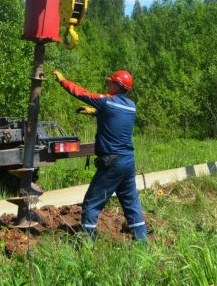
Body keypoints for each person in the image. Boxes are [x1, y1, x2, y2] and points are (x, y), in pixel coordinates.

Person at [52, 68, 148, 242]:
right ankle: (142, 241)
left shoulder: (107, 102)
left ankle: (87, 242)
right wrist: (95, 112)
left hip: (112, 162)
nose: (108, 84)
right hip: (128, 162)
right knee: (131, 203)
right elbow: (115, 117)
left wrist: (63, 81)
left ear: (118, 85)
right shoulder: (131, 107)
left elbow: (82, 93)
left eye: (111, 82)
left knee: (92, 202)